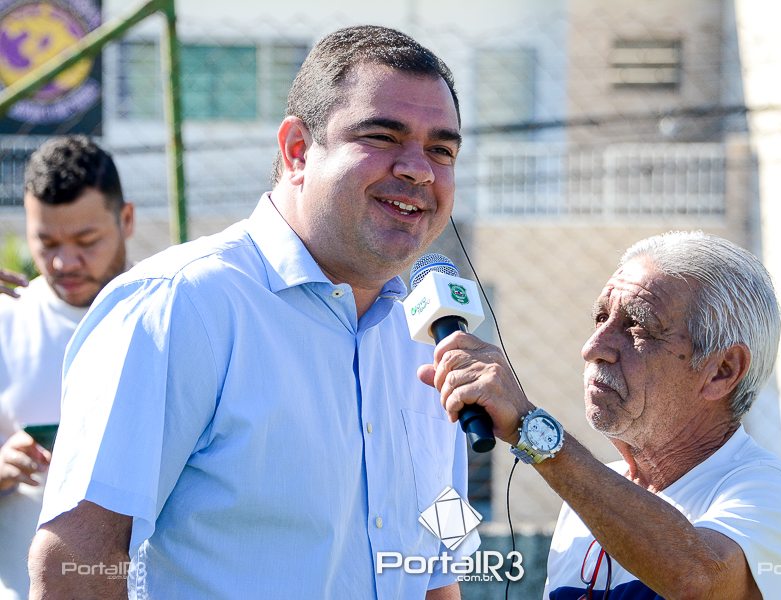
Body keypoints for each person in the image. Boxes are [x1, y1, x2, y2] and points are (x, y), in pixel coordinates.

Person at [29, 26, 476, 599]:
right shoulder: (178, 306)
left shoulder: (430, 342)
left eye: (442, 150)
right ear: (297, 150)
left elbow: (436, 572)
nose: (419, 170)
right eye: (382, 136)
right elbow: (75, 560)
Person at [420, 231, 781, 599]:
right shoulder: (589, 495)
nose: (594, 347)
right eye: (600, 318)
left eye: (637, 326)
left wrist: (534, 432)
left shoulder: (768, 487)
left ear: (722, 370)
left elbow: (697, 581)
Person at [0, 135, 134, 599]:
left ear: (127, 220)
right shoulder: (7, 320)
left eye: (86, 242)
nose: (63, 262)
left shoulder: (174, 311)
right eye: (46, 242)